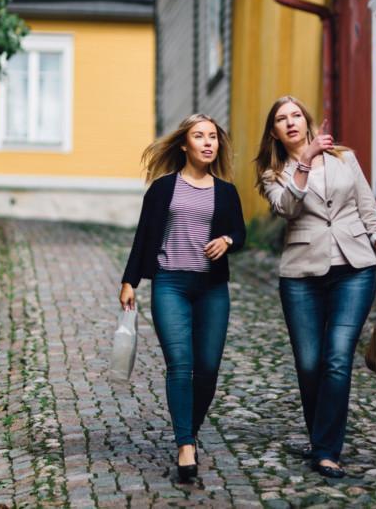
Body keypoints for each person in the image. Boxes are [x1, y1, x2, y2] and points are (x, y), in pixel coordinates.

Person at [255, 96, 376, 479]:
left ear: (306, 121)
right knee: (309, 363)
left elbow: (367, 207)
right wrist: (303, 161)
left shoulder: (344, 158)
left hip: (354, 268)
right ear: (274, 132)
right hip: (301, 275)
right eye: (281, 120)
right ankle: (319, 434)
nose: (290, 123)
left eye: (295, 116)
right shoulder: (273, 173)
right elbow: (287, 208)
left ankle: (325, 450)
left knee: (337, 359)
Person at [119, 114, 246, 482]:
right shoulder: (162, 189)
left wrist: (228, 241)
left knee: (207, 369)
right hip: (170, 284)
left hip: (211, 289)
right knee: (180, 363)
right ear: (184, 145)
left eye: (213, 137)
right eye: (199, 136)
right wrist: (130, 281)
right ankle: (185, 446)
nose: (208, 143)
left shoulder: (226, 191)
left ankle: (187, 426)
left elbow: (239, 231)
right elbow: (143, 236)